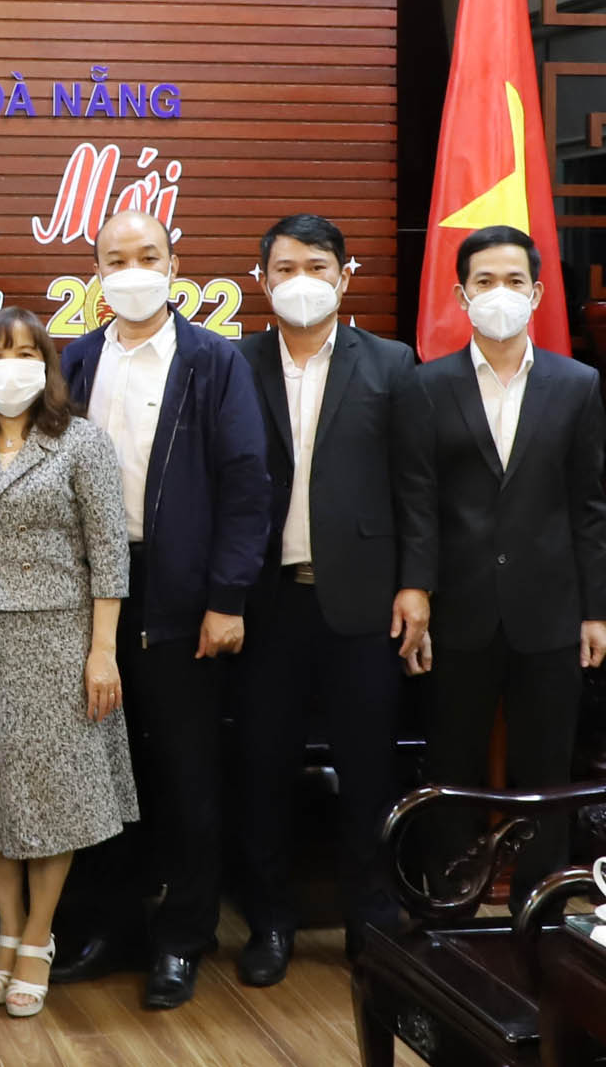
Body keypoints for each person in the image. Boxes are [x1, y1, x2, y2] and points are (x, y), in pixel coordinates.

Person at [50, 209, 270, 1008]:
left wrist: (227, 597)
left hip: (184, 596)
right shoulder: (74, 359)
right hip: (92, 601)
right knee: (102, 775)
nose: (133, 268)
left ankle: (183, 936)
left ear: (175, 265)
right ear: (96, 271)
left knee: (186, 775)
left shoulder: (213, 361)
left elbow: (247, 486)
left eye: (149, 255)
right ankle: (110, 929)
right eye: (117, 258)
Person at [0, 307, 137, 1019]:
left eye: (24, 352)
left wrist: (101, 652)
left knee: (55, 793)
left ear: (47, 367)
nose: (9, 365)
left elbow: (109, 555)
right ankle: (7, 933)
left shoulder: (80, 444)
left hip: (62, 638)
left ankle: (40, 937)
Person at [232, 214, 431, 982]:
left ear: (346, 277)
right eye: (285, 267)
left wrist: (416, 584)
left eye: (318, 266)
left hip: (363, 601)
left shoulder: (391, 363)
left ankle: (370, 917)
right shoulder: (230, 363)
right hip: (263, 602)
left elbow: (416, 487)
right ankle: (269, 923)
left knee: (370, 768)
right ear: (262, 278)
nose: (301, 281)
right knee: (261, 766)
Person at [408, 224, 606, 910]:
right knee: (451, 770)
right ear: (461, 295)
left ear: (538, 292)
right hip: (457, 610)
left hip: (549, 611)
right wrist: (419, 596)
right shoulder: (426, 385)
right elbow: (419, 504)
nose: (500, 294)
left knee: (545, 775)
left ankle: (540, 911)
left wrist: (596, 610)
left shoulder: (577, 384)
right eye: (484, 282)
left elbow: (589, 505)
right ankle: (449, 905)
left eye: (513, 281)